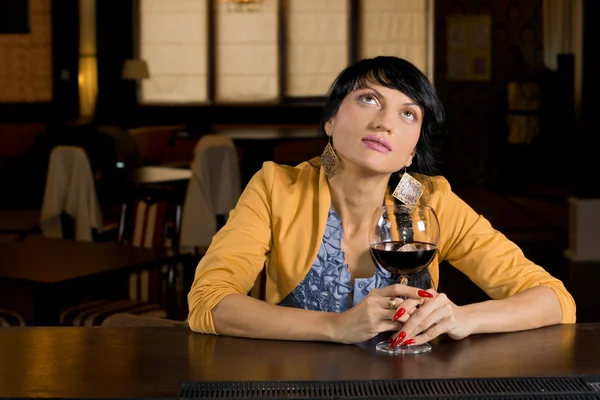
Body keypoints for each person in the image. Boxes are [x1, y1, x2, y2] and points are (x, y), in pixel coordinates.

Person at [187, 56, 575, 347]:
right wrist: (335, 327)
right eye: (369, 99)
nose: (385, 122)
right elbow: (209, 302)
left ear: (410, 152)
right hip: (294, 382)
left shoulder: (430, 201)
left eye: (408, 113)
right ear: (331, 121)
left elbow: (556, 301)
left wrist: (463, 317)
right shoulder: (277, 188)